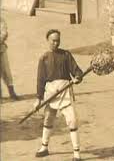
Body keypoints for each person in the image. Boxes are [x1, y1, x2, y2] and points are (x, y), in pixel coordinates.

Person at [34, 29, 83, 161]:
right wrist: (38, 98)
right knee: (48, 118)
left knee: (72, 120)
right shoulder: (43, 58)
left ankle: (76, 152)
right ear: (48, 41)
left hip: (65, 91)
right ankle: (44, 147)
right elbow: (40, 80)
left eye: (58, 40)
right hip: (51, 92)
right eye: (53, 40)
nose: (56, 43)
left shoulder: (66, 55)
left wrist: (78, 77)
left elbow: (77, 70)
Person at [0, 18, 19, 100]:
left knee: (6, 71)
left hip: (1, 50)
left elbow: (4, 33)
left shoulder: (1, 20)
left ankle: (12, 92)